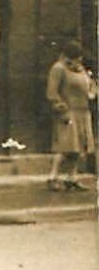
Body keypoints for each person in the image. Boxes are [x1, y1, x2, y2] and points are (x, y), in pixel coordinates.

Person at [47, 41, 96, 191]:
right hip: (68, 111)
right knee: (64, 146)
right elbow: (52, 91)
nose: (78, 61)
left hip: (83, 111)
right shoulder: (59, 68)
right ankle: (52, 177)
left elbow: (91, 86)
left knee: (79, 146)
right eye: (75, 57)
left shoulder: (81, 70)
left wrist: (92, 92)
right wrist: (60, 106)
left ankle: (71, 178)